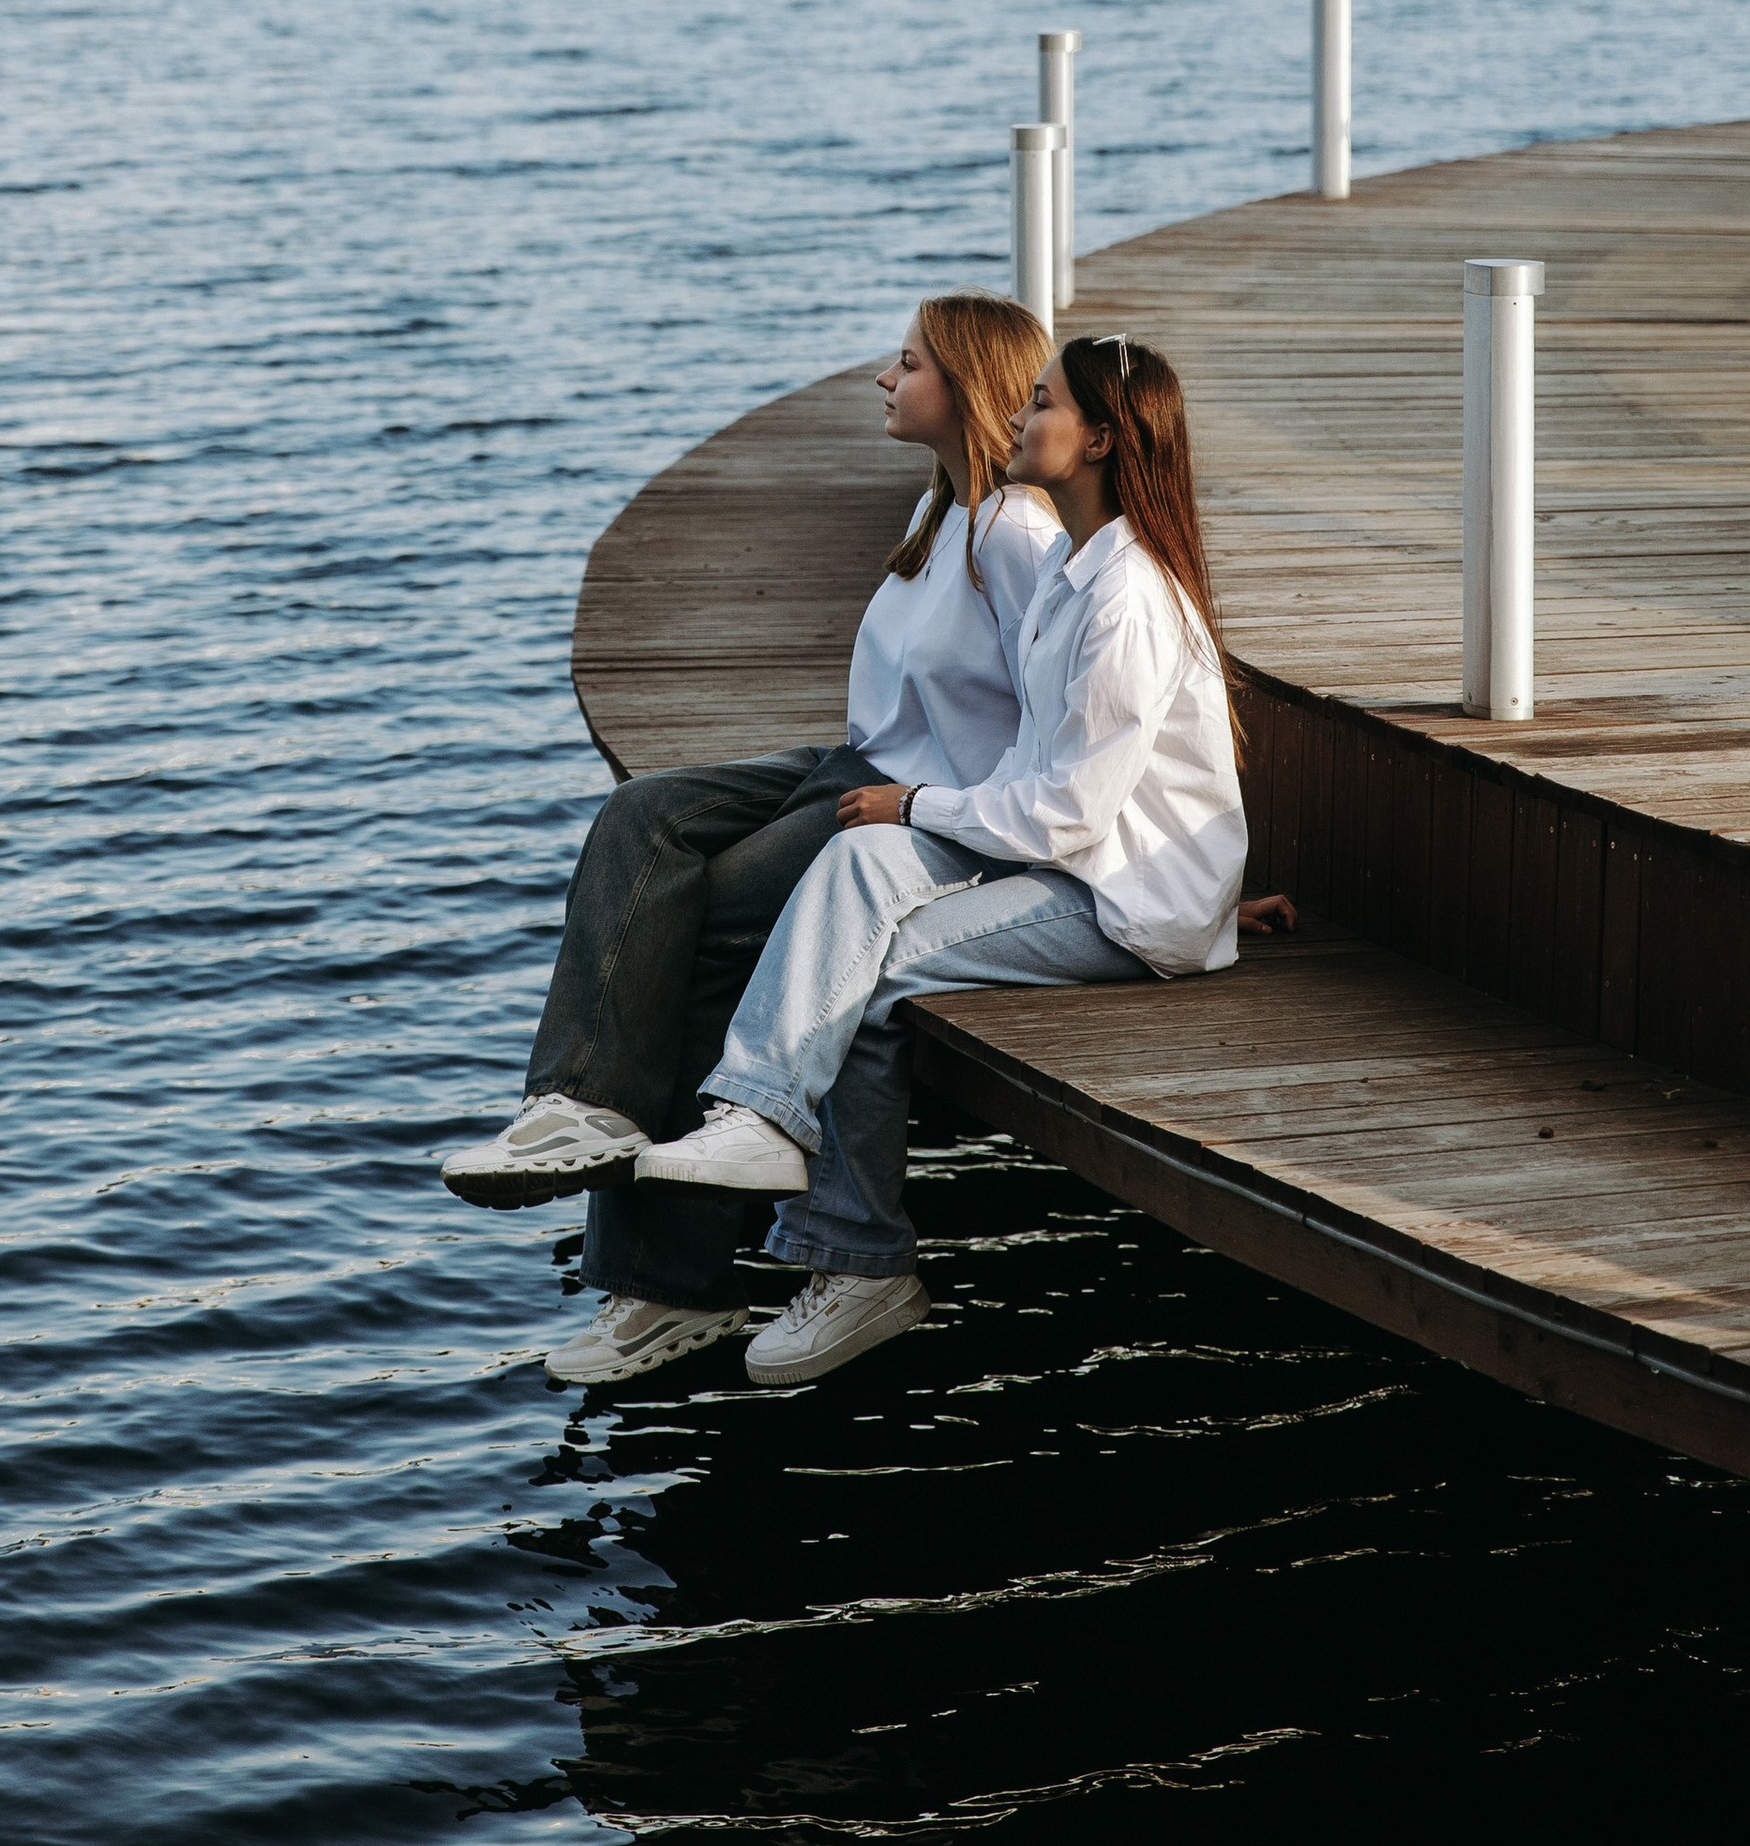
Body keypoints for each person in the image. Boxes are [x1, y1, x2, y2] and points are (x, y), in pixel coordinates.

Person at [440, 292, 1059, 1389]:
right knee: (641, 817)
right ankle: (578, 1105)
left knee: (700, 933)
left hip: (928, 808)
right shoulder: (940, 508)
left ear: (969, 385)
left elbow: (1077, 723)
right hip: (853, 760)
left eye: (909, 363)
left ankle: (669, 1287)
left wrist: (1126, 861)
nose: (885, 378)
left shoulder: (1015, 534)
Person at [639, 333, 1257, 1387]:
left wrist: (920, 801)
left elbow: (1068, 813)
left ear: (1099, 440)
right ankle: (756, 1113)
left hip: (1119, 902)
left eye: (1043, 404)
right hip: (1068, 861)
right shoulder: (1072, 571)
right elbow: (1035, 771)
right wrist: (908, 822)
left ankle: (860, 1259)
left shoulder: (1125, 599)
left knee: (867, 969)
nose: (1018, 417)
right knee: (861, 861)